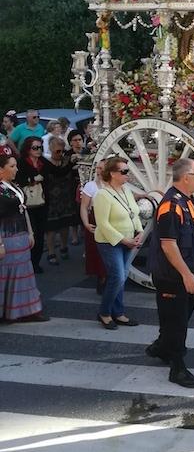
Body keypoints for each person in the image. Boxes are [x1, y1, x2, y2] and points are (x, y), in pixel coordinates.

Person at [146, 158, 194, 388]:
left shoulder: (186, 202)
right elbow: (168, 244)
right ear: (186, 177)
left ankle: (162, 347)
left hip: (182, 273)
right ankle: (178, 369)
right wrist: (186, 275)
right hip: (171, 276)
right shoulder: (170, 206)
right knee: (177, 320)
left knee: (180, 315)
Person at [93, 155, 143, 329]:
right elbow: (103, 224)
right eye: (124, 171)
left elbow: (133, 213)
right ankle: (105, 312)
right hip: (109, 242)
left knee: (120, 278)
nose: (127, 174)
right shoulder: (102, 195)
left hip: (127, 240)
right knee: (118, 277)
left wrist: (140, 232)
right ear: (113, 174)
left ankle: (118, 312)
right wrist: (124, 240)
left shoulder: (126, 191)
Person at [0, 153, 48, 323]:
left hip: (20, 236)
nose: (16, 169)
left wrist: (30, 232)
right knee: (5, 275)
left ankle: (25, 311)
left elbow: (24, 209)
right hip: (5, 236)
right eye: (12, 166)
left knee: (23, 275)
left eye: (15, 165)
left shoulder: (15, 186)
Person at [16, 136, 47, 274]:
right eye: (35, 147)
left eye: (40, 147)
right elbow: (18, 180)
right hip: (27, 203)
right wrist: (32, 179)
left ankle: (36, 263)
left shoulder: (43, 162)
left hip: (42, 202)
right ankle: (27, 263)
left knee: (40, 234)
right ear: (28, 149)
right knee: (31, 233)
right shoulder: (21, 163)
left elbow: (56, 172)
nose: (38, 150)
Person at [43, 135, 75, 264]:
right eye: (58, 151)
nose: (60, 153)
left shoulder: (67, 161)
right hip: (52, 199)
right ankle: (51, 252)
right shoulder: (46, 163)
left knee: (65, 224)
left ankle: (63, 246)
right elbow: (56, 173)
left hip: (66, 197)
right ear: (51, 149)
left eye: (62, 151)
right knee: (51, 227)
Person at [80, 159, 107, 293]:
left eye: (102, 168)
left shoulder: (114, 185)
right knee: (97, 251)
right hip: (95, 219)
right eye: (98, 168)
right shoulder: (90, 186)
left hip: (110, 219)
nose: (99, 171)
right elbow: (84, 207)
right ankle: (101, 278)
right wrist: (86, 223)